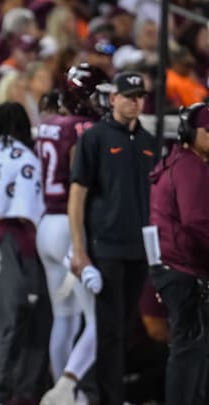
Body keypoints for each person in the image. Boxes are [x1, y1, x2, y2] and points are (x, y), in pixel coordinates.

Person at [68, 71, 157, 405]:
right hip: (105, 247)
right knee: (108, 330)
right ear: (113, 98)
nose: (135, 101)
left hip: (139, 249)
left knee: (124, 330)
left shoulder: (148, 142)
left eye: (140, 96)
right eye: (129, 95)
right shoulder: (95, 138)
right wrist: (79, 249)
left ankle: (113, 395)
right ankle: (106, 398)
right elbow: (77, 195)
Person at [35, 64, 110, 404]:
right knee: (100, 319)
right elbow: (83, 177)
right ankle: (67, 387)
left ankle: (66, 394)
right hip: (70, 224)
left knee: (63, 318)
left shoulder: (49, 123)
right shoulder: (83, 127)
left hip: (46, 222)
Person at [0, 101, 51, 404]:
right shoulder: (25, 156)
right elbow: (27, 212)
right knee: (25, 316)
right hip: (17, 241)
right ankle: (10, 391)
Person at [149, 101, 209, 404]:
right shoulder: (190, 166)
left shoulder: (183, 161)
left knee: (195, 351)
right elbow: (198, 223)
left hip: (178, 268)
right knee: (189, 350)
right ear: (188, 132)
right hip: (184, 270)